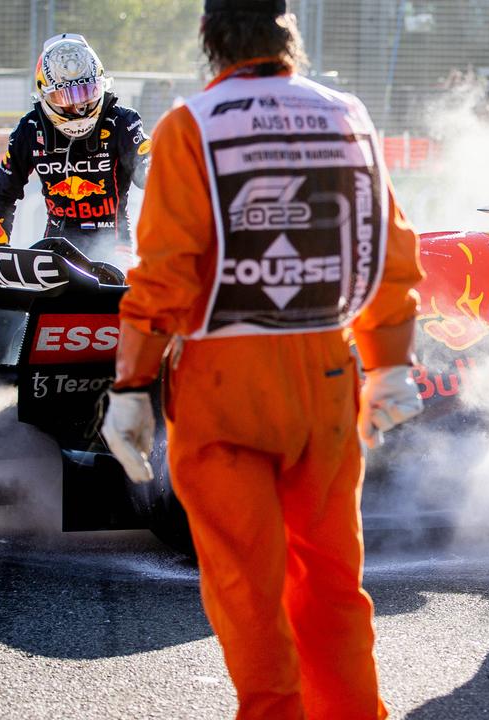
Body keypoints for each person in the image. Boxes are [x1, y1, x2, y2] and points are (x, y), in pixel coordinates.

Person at [100, 2, 424, 717]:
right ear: (289, 35)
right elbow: (391, 254)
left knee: (249, 591)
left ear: (211, 41)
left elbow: (164, 275)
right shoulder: (348, 116)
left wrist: (129, 386)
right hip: (328, 375)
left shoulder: (192, 126)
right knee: (332, 585)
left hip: (225, 384)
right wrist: (390, 363)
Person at [0, 33, 149, 264]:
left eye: (87, 92)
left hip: (114, 243)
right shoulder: (29, 129)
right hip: (56, 242)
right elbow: (4, 192)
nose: (80, 107)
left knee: (114, 295)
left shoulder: (123, 122)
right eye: (66, 96)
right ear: (45, 94)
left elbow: (148, 172)